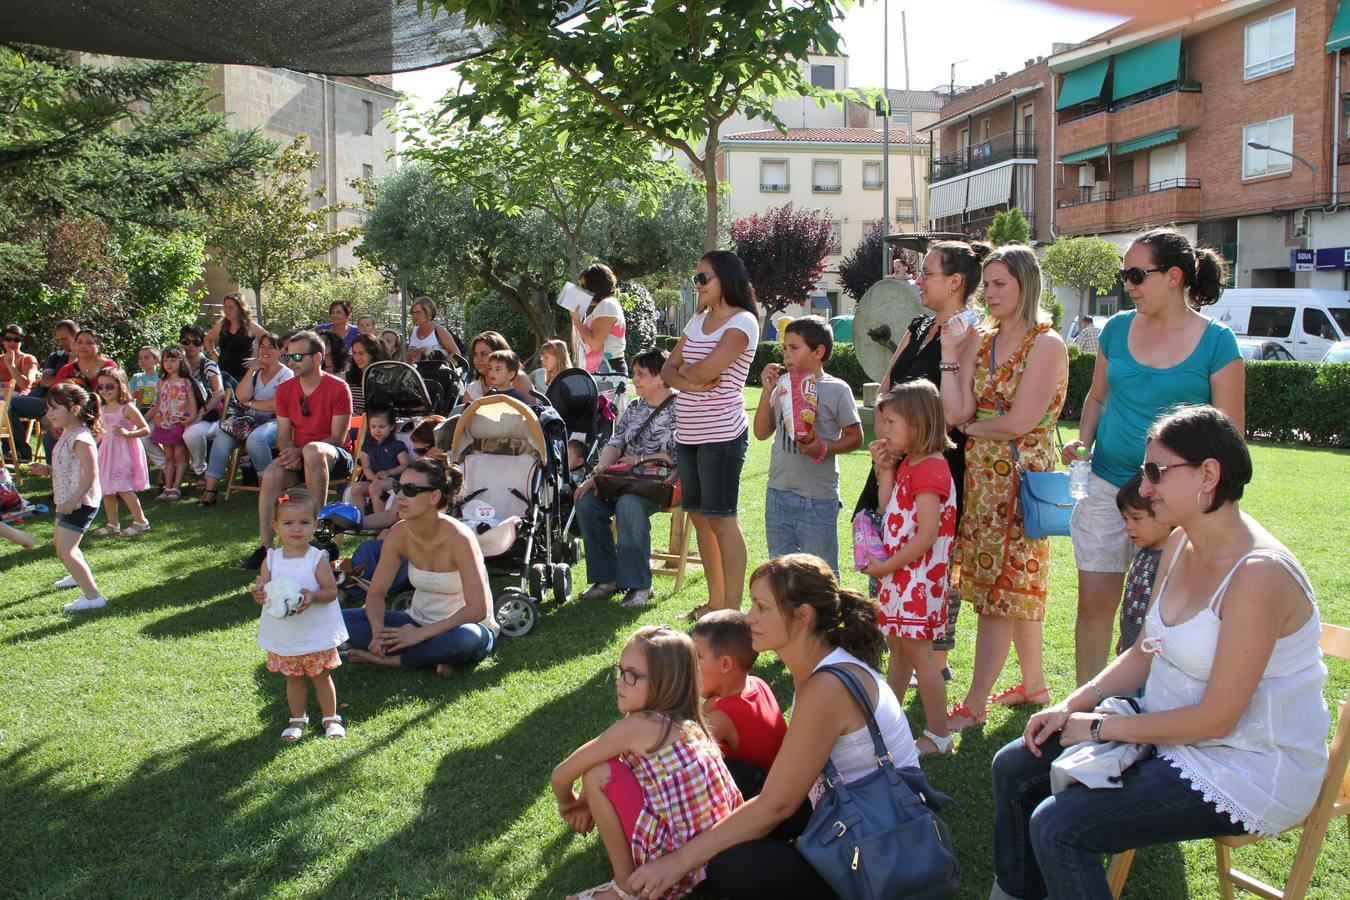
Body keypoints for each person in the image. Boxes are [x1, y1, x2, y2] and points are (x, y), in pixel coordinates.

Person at [990, 405, 1328, 900]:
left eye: (1155, 472)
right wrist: (1073, 704)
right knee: (1014, 766)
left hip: (1249, 764)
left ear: (1208, 474)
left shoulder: (1259, 575)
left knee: (1061, 827)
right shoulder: (1179, 546)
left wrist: (1102, 726)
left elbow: (1216, 720)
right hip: (1173, 729)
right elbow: (1146, 653)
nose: (1144, 488)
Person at [627, 554, 920, 899]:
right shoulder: (820, 664)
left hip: (876, 844)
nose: (750, 617)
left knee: (730, 866)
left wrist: (679, 861)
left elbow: (777, 806)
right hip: (843, 808)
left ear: (803, 616)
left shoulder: (826, 687)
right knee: (726, 775)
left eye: (762, 608)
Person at [1062, 228, 1244, 686]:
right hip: (1106, 484)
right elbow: (1097, 398)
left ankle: (1150, 708)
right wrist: (1083, 442)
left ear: (1174, 276)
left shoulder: (1217, 342)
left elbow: (1230, 437)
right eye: (1125, 274)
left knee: (1164, 612)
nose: (1128, 284)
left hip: (1176, 500)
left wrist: (1202, 502)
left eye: (1137, 274)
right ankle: (1087, 703)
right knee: (1094, 604)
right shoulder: (1118, 329)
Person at [939, 244, 1069, 732]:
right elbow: (955, 410)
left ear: (1025, 285)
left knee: (1001, 593)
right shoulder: (982, 339)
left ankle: (973, 705)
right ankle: (1034, 684)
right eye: (986, 284)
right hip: (983, 476)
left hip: (1020, 478)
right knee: (1013, 589)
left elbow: (1019, 421)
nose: (988, 293)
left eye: (999, 284)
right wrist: (952, 355)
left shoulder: (1046, 342)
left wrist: (969, 429)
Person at [855, 240, 987, 674]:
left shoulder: (972, 333)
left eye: (927, 272)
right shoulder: (917, 323)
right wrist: (892, 435)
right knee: (885, 535)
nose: (918, 279)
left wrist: (908, 441)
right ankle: (895, 640)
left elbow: (952, 410)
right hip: (896, 454)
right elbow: (889, 384)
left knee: (929, 555)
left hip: (934, 459)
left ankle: (934, 656)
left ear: (955, 282)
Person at [552, 625, 742, 900]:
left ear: (666, 682)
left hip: (670, 866)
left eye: (632, 676)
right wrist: (584, 803)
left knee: (597, 775)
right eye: (620, 671)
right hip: (713, 856)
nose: (620, 682)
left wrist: (570, 803)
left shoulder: (637, 726)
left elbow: (560, 775)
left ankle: (625, 887)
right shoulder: (689, 720)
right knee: (612, 769)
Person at [662, 251, 760, 617]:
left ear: (726, 280)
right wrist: (692, 376)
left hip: (722, 435)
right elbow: (668, 371)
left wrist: (689, 374)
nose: (697, 285)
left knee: (722, 518)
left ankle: (733, 611)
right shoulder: (698, 320)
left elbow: (703, 372)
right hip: (687, 433)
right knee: (701, 518)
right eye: (696, 278)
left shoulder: (743, 322)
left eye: (704, 278)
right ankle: (714, 603)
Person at [864, 382, 958, 757]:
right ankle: (891, 720)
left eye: (890, 422)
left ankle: (939, 735)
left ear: (918, 424)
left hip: (917, 579)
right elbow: (888, 508)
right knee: (900, 649)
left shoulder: (931, 468)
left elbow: (927, 533)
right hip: (902, 577)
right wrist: (883, 469)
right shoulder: (910, 464)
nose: (882, 429)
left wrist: (886, 564)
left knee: (920, 655)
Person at [341, 456, 499, 675]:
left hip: (459, 628)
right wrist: (378, 633)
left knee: (466, 641)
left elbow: (477, 609)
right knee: (337, 620)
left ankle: (395, 660)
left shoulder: (460, 538)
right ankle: (432, 656)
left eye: (411, 490)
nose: (400, 496)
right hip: (412, 621)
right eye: (398, 487)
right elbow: (376, 593)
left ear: (434, 496)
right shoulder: (398, 533)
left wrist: (421, 634)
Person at [753, 315, 861, 575]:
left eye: (794, 348)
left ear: (818, 351)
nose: (786, 355)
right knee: (780, 575)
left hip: (817, 498)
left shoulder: (837, 389)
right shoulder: (781, 386)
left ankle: (824, 617)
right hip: (778, 492)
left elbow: (855, 436)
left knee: (820, 575)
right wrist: (767, 391)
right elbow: (761, 432)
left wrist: (823, 448)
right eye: (784, 348)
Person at [575, 348, 678, 609]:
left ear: (661, 377)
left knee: (629, 504)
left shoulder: (681, 407)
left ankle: (640, 586)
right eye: (634, 373)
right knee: (587, 500)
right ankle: (605, 579)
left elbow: (678, 454)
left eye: (641, 374)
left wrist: (639, 460)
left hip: (662, 484)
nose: (635, 379)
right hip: (627, 481)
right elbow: (615, 443)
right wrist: (597, 476)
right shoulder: (634, 407)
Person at [243, 331, 354, 571]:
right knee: (271, 474)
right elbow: (283, 436)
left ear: (317, 357)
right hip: (299, 457)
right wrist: (289, 452)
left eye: (296, 356)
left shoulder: (338, 387)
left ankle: (320, 533)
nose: (290, 362)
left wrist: (300, 451)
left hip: (335, 456)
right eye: (288, 355)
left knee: (314, 451)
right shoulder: (285, 390)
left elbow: (337, 437)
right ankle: (266, 548)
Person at [250, 489, 347, 740]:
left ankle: (330, 719)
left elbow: (331, 592)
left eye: (304, 523)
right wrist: (258, 594)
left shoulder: (316, 558)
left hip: (314, 631)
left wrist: (313, 596)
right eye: (288, 523)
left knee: (320, 676)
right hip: (287, 634)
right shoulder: (271, 559)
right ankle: (297, 719)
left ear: (314, 525)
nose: (296, 529)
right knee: (293, 679)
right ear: (276, 526)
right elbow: (263, 588)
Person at [691, 610, 788, 790]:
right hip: (786, 789)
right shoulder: (758, 683)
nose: (690, 664)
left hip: (761, 800)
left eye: (697, 657)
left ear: (726, 664)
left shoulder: (722, 718)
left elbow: (679, 754)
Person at [198, 332, 294, 507]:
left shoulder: (287, 375)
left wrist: (250, 403)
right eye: (262, 347)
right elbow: (241, 396)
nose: (265, 351)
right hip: (250, 420)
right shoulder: (256, 373)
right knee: (223, 437)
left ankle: (268, 490)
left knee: (256, 440)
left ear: (281, 351)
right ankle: (210, 491)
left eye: (270, 347)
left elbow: (276, 405)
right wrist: (251, 370)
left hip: (276, 421)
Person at [46, 384, 108, 612]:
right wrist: (45, 469)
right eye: (48, 408)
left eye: (54, 408)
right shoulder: (67, 433)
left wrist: (74, 501)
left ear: (73, 409)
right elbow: (68, 466)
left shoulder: (81, 437)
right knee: (62, 546)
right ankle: (76, 574)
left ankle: (93, 597)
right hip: (66, 500)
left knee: (66, 550)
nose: (49, 413)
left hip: (80, 503)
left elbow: (91, 473)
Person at [1114, 473, 1171, 655]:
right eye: (1126, 519)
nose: (1128, 527)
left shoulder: (1171, 561)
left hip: (1154, 656)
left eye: (1137, 518)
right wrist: (1126, 636)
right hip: (1132, 647)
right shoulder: (1144, 552)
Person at [90, 368, 151, 538]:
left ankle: (141, 521)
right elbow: (102, 431)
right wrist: (91, 446)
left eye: (109, 386)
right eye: (100, 387)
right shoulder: (102, 407)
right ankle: (113, 524)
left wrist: (128, 433)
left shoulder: (127, 408)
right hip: (107, 452)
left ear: (120, 386)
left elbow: (145, 429)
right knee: (106, 488)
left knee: (124, 488)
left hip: (124, 451)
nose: (104, 391)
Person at [8, 319, 78, 462]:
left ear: (75, 335)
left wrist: (71, 366)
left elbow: (75, 386)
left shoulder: (84, 356)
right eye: (59, 340)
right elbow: (45, 381)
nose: (61, 343)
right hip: (45, 401)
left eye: (65, 339)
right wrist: (63, 379)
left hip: (70, 405)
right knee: (9, 404)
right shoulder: (56, 357)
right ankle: (20, 452)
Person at [149, 346, 198, 501]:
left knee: (179, 455)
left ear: (181, 361)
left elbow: (192, 402)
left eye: (173, 360)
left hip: (178, 422)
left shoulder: (186, 382)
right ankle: (168, 487)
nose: (169, 364)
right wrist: (146, 418)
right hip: (163, 422)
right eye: (165, 360)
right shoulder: (162, 382)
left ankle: (176, 487)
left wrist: (191, 417)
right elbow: (158, 404)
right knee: (168, 456)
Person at [179, 324, 226, 484]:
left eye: (196, 341)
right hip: (179, 416)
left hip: (207, 418)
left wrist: (200, 413)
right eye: (186, 341)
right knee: (147, 436)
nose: (191, 346)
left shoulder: (208, 366)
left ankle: (201, 470)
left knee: (191, 434)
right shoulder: (175, 365)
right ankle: (169, 469)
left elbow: (219, 392)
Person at [571, 263, 628, 375]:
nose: (581, 291)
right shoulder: (607, 305)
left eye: (583, 286)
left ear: (595, 285)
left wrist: (577, 320)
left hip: (606, 371)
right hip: (604, 369)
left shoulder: (606, 305)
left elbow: (595, 343)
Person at [349, 405, 408, 514]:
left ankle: (377, 519)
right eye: (373, 427)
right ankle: (362, 520)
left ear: (391, 427)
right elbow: (366, 467)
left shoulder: (396, 445)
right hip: (374, 480)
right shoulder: (367, 446)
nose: (377, 430)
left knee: (375, 487)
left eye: (381, 427)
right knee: (356, 489)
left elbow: (405, 464)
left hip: (393, 481)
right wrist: (373, 478)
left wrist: (389, 472)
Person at [204, 292, 266, 382]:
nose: (227, 310)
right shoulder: (222, 324)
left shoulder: (249, 325)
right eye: (225, 307)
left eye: (231, 307)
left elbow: (271, 340)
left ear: (240, 308)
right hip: (222, 374)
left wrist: (258, 359)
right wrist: (213, 353)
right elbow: (208, 339)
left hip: (242, 376)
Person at [463, 331, 533, 402]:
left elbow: (531, 411)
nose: (478, 359)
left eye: (484, 354)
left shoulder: (519, 378)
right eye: (475, 354)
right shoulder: (472, 390)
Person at [406, 296, 463, 362]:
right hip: (416, 371)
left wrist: (443, 365)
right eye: (413, 313)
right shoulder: (412, 332)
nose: (415, 316)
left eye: (418, 313)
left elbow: (456, 354)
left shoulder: (439, 330)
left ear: (428, 312)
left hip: (438, 371)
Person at [346, 332, 385, 415]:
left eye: (361, 353)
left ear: (372, 354)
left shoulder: (384, 378)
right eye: (354, 353)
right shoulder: (345, 377)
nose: (356, 358)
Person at [0, 324, 38, 396]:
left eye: (17, 340)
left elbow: (26, 385)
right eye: (8, 339)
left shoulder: (28, 359)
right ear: (3, 341)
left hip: (19, 400)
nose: (12, 343)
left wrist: (11, 366)